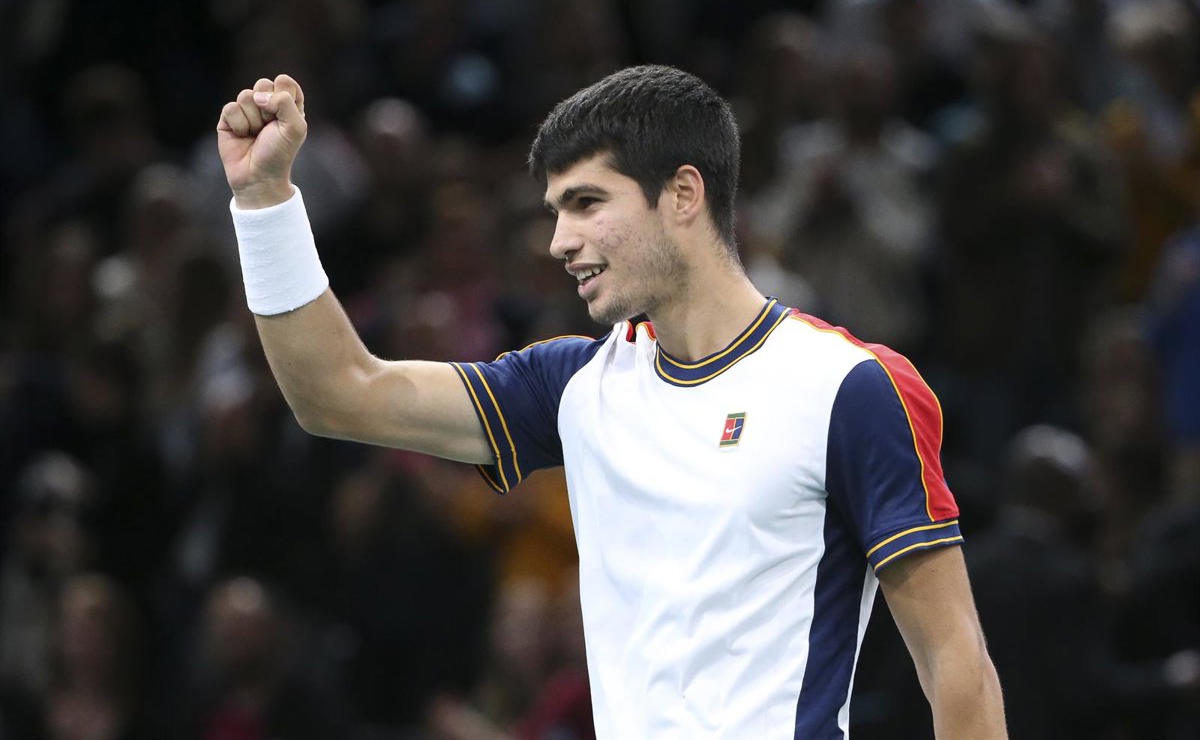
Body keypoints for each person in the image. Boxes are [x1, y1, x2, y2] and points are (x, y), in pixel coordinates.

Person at [216, 66, 1006, 738]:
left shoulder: (850, 386)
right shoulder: (571, 386)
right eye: (556, 210)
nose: (560, 240)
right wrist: (264, 200)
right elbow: (337, 393)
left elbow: (954, 659)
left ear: (683, 194)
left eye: (588, 202)